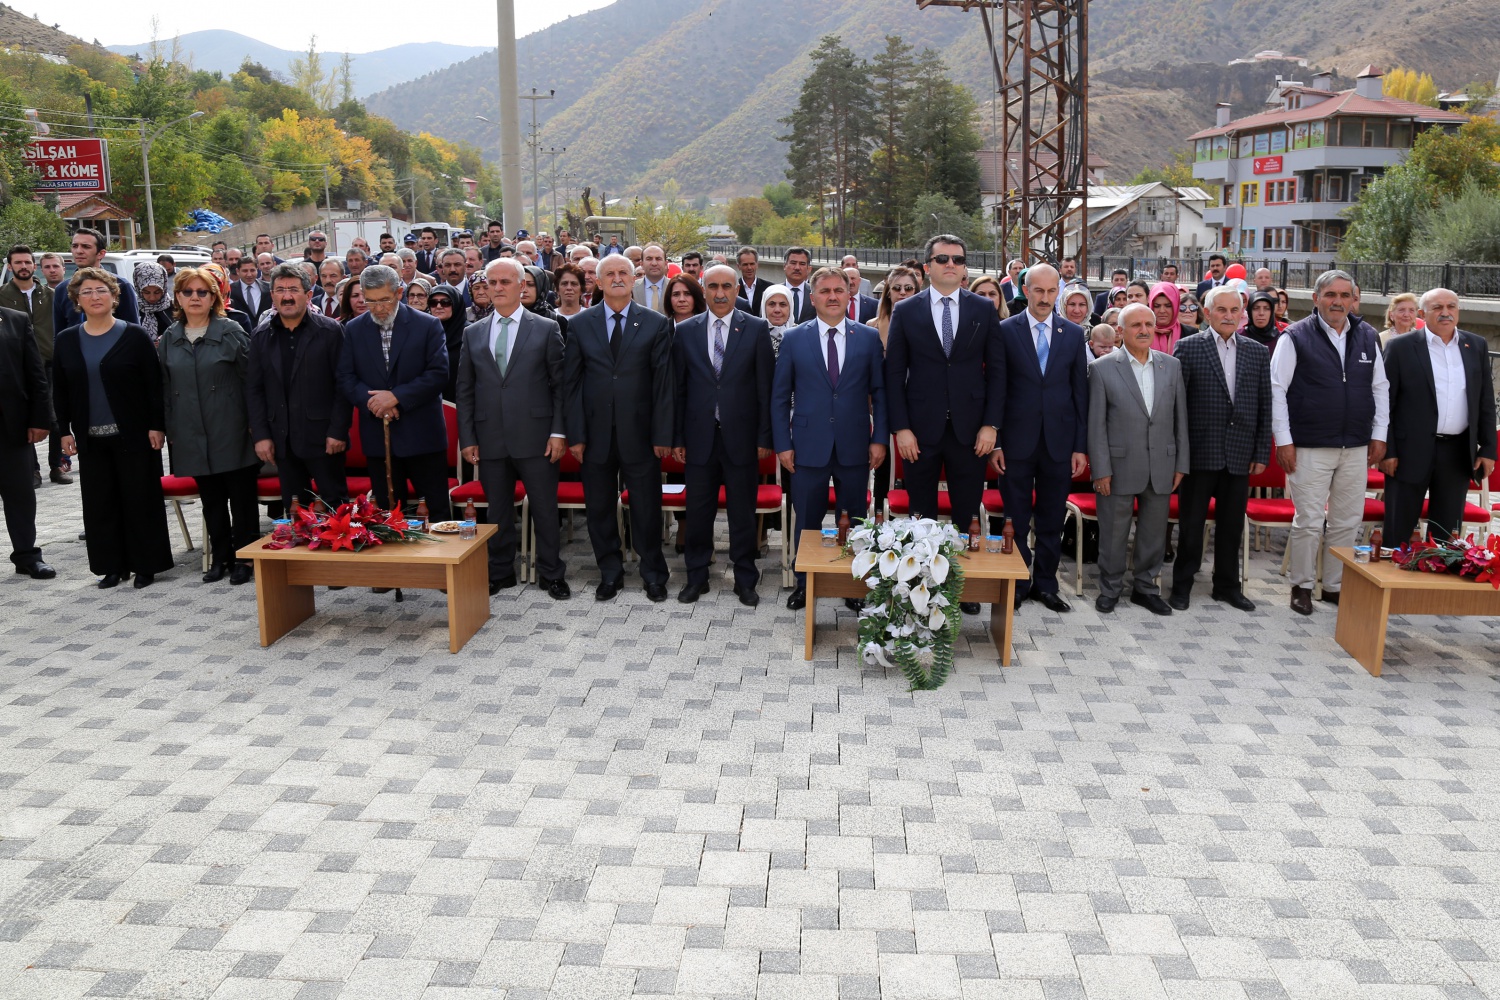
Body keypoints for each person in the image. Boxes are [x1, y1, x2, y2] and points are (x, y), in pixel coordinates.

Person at [885, 236, 1003, 614]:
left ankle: (960, 587)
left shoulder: (983, 309)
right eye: (942, 259)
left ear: (965, 267)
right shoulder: (907, 310)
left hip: (971, 431)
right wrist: (901, 428)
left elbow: (998, 374)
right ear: (927, 267)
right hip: (919, 431)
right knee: (921, 512)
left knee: (966, 511)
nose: (951, 264)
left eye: (958, 259)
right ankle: (922, 587)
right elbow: (894, 374)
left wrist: (991, 426)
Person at [1272, 269, 1388, 615]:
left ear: (1354, 299)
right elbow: (1277, 389)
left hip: (1354, 445)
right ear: (1316, 299)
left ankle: (1335, 586)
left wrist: (1379, 434)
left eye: (1344, 295)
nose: (1338, 302)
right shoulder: (1294, 336)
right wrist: (1284, 440)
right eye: (1330, 295)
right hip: (1309, 445)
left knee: (1347, 520)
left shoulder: (1368, 336)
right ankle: (1302, 585)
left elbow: (1380, 388)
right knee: (1308, 520)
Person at [562, 252, 676, 602]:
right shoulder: (581, 324)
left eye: (623, 273)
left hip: (641, 434)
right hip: (594, 435)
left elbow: (663, 385)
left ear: (633, 279)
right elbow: (572, 384)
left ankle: (653, 574)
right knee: (598, 508)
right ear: (597, 281)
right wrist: (576, 435)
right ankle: (609, 573)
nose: (616, 278)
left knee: (646, 507)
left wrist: (662, 435)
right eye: (608, 273)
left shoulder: (656, 323)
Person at [773, 266, 888, 610]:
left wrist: (879, 438)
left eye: (839, 290)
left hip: (855, 443)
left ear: (849, 295)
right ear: (813, 298)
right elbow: (780, 396)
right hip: (807, 445)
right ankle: (804, 583)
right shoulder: (794, 337)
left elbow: (879, 393)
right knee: (806, 517)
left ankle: (852, 585)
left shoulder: (867, 338)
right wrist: (783, 443)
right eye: (825, 291)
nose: (833, 296)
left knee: (854, 519)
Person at [457, 258, 570, 599]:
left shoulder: (546, 328)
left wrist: (559, 432)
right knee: (498, 510)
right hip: (490, 436)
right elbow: (464, 389)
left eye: (507, 281)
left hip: (537, 436)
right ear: (485, 287)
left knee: (545, 509)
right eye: (493, 282)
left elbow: (560, 386)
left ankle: (551, 574)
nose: (499, 287)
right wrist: (468, 437)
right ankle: (500, 572)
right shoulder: (472, 332)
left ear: (523, 286)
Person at [52, 268, 173, 589]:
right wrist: (63, 430)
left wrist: (156, 426)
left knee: (140, 500)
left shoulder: (134, 336)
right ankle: (112, 566)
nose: (94, 296)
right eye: (87, 292)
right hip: (90, 439)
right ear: (77, 300)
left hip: (135, 435)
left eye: (101, 290)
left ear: (114, 297)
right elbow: (60, 390)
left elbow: (153, 386)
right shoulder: (66, 341)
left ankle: (147, 565)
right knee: (100, 504)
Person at [672, 265, 775, 606]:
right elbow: (679, 390)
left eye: (726, 286)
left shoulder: (757, 329)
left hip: (742, 438)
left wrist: (764, 437)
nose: (719, 293)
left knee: (742, 513)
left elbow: (765, 388)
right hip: (699, 438)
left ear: (736, 291)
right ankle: (696, 578)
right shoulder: (686, 331)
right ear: (703, 289)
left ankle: (745, 579)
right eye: (713, 286)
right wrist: (677, 438)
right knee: (698, 513)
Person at [1169, 286, 1272, 612]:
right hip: (1199, 454)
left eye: (1234, 310)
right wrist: (1179, 455)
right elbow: (1176, 406)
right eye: (1222, 310)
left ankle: (1227, 586)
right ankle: (1182, 585)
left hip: (1239, 454)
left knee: (1231, 526)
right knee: (1191, 526)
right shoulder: (1187, 348)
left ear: (1242, 314)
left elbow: (1264, 405)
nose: (1229, 316)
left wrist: (1260, 452)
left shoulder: (1257, 352)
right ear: (1207, 312)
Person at [993, 263, 1089, 613]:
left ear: (1058, 293)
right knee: (1015, 519)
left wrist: (1080, 446)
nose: (1045, 298)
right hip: (1016, 442)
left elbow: (1081, 395)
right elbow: (997, 389)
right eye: (1038, 290)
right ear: (1026, 290)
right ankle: (1017, 582)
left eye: (1052, 291)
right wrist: (998, 442)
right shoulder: (1005, 331)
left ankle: (1046, 585)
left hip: (1059, 443)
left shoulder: (1074, 334)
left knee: (1051, 519)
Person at [157, 267, 259, 585]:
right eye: (188, 292)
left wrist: (256, 427)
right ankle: (220, 557)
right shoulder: (170, 338)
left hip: (232, 430)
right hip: (191, 433)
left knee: (241, 501)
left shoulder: (231, 331)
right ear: (178, 297)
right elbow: (164, 389)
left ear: (214, 296)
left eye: (203, 292)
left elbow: (252, 382)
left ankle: (245, 558)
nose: (195, 297)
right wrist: (170, 429)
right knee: (212, 501)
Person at [1087, 302, 1189, 615]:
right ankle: (1110, 588)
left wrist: (1181, 463)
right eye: (1136, 325)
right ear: (1120, 331)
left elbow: (1179, 419)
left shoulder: (1170, 366)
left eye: (1148, 324)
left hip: (1162, 464)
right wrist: (1101, 469)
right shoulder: (1102, 368)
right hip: (1117, 467)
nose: (1144, 330)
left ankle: (1145, 588)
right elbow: (1096, 425)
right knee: (1114, 532)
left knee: (1153, 533)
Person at [1380, 288, 1496, 545]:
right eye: (1437, 308)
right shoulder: (1400, 347)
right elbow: (1384, 403)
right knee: (1398, 530)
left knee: (1446, 536)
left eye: (1451, 307)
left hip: (1457, 451)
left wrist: (1488, 449)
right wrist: (1388, 450)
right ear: (1422, 314)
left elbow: (1485, 400)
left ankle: (1436, 582)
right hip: (1409, 451)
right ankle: (1394, 582)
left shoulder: (1475, 345)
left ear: (1458, 311)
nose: (1445, 313)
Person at [336, 265, 452, 521]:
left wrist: (396, 396)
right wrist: (374, 402)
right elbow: (345, 376)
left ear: (399, 292)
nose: (378, 308)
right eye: (371, 301)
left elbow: (438, 373)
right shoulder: (354, 329)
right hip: (378, 434)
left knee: (436, 511)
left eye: (385, 300)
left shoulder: (427, 325)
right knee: (388, 515)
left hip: (423, 434)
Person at [246, 263, 350, 514]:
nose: (287, 296)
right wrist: (261, 436)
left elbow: (343, 385)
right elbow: (254, 390)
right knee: (295, 511)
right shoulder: (261, 336)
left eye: (293, 289)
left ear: (308, 294)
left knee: (337, 508)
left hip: (324, 438)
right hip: (282, 439)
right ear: (272, 296)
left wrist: (338, 431)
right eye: (280, 290)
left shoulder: (330, 331)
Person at [0, 245, 65, 487]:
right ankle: (32, 470)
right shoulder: (2, 296)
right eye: (18, 263)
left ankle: (57, 466)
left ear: (33, 266)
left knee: (55, 417)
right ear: (10, 267)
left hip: (50, 362)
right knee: (25, 417)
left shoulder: (51, 295)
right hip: (17, 368)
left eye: (27, 262)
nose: (23, 267)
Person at [0, 294, 54, 578]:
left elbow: (36, 375)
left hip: (11, 428)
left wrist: (40, 419)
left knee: (20, 495)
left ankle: (27, 556)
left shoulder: (15, 320)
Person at [54, 228, 139, 332]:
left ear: (101, 253)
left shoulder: (121, 285)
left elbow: (133, 331)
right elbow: (59, 334)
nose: (79, 251)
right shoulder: (62, 289)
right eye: (75, 246)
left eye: (86, 246)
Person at [427, 285, 467, 402]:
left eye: (445, 302)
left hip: (460, 400)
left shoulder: (469, 333)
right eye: (433, 302)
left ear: (456, 304)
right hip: (429, 399)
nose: (438, 306)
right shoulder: (423, 332)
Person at [871, 266, 922, 347]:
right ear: (888, 292)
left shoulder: (924, 325)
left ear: (915, 292)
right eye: (897, 288)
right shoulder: (872, 325)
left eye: (908, 288)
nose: (902, 292)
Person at [131, 262, 175, 347]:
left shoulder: (174, 308)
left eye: (157, 292)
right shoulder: (132, 309)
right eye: (146, 292)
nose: (152, 298)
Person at [1148, 281, 1194, 355]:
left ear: (1176, 306)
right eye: (1157, 306)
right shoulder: (1143, 331)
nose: (1162, 311)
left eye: (1168, 306)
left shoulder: (1190, 334)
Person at [781, 247, 817, 324]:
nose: (797, 268)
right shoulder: (775, 292)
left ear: (809, 269)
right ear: (784, 266)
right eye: (793, 263)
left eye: (802, 264)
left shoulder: (816, 293)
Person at [230, 257, 271, 324]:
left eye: (252, 270)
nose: (249, 274)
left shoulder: (268, 288)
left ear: (257, 270)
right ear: (238, 271)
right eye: (245, 271)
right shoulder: (230, 290)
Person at [759, 284, 794, 358]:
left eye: (783, 304)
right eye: (772, 304)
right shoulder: (754, 335)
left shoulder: (801, 334)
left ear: (790, 308)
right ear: (764, 308)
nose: (777, 310)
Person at [632, 244, 670, 313]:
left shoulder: (674, 287)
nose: (654, 263)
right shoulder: (631, 288)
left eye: (658, 259)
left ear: (665, 263)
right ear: (641, 264)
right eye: (649, 259)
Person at [736, 247, 773, 313]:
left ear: (757, 265)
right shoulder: (733, 289)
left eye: (752, 264)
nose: (749, 268)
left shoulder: (769, 288)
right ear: (738, 266)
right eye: (745, 264)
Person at [553, 262, 588, 326]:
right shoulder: (550, 317)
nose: (569, 288)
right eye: (564, 283)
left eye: (574, 284)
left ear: (581, 290)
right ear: (557, 289)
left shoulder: (589, 317)